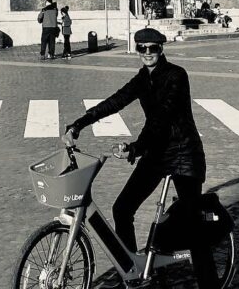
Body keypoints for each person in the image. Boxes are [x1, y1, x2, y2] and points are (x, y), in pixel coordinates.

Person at [63, 28, 219, 289]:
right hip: (156, 153)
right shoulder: (142, 78)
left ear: (162, 48)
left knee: (194, 231)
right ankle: (133, 273)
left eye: (153, 48)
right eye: (141, 48)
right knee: (122, 209)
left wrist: (136, 147)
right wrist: (79, 124)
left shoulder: (176, 75)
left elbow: (162, 117)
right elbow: (116, 101)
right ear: (136, 50)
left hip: (184, 155)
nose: (147, 53)